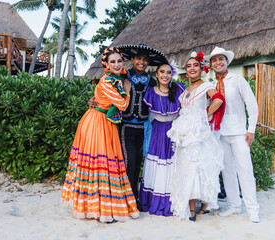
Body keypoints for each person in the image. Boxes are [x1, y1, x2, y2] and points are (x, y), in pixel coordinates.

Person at [61, 47, 139, 223]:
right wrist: (127, 90)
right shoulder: (107, 81)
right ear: (106, 65)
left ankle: (103, 206)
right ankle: (98, 209)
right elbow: (122, 104)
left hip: (106, 123)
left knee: (104, 163)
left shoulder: (116, 79)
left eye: (119, 61)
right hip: (97, 123)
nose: (117, 64)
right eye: (113, 62)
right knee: (99, 162)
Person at [89, 44, 169, 209]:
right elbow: (104, 92)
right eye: (138, 58)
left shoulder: (153, 81)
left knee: (139, 163)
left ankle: (135, 197)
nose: (141, 62)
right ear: (131, 60)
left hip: (144, 129)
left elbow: (164, 96)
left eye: (145, 59)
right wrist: (93, 101)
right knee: (129, 162)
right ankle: (128, 199)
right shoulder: (122, 77)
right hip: (126, 127)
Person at [167, 51, 225, 221]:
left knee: (199, 166)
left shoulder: (206, 86)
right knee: (186, 166)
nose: (192, 68)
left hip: (198, 132)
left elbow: (219, 100)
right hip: (184, 131)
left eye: (195, 66)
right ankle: (193, 204)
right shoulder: (186, 89)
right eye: (189, 66)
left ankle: (195, 208)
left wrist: (204, 114)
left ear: (202, 69)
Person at [205, 46, 260, 223]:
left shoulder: (237, 80)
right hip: (219, 133)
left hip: (239, 133)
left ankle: (252, 209)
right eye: (214, 60)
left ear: (227, 62)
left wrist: (251, 129)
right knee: (227, 170)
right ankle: (234, 206)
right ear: (211, 65)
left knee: (245, 169)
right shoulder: (211, 85)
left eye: (221, 59)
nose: (218, 62)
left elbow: (251, 105)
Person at [138, 63, 184, 216]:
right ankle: (154, 200)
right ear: (156, 74)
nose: (165, 75)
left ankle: (171, 200)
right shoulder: (150, 92)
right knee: (157, 165)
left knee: (172, 165)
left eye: (168, 72)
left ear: (172, 74)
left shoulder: (179, 90)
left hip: (174, 130)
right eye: (162, 72)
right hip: (157, 131)